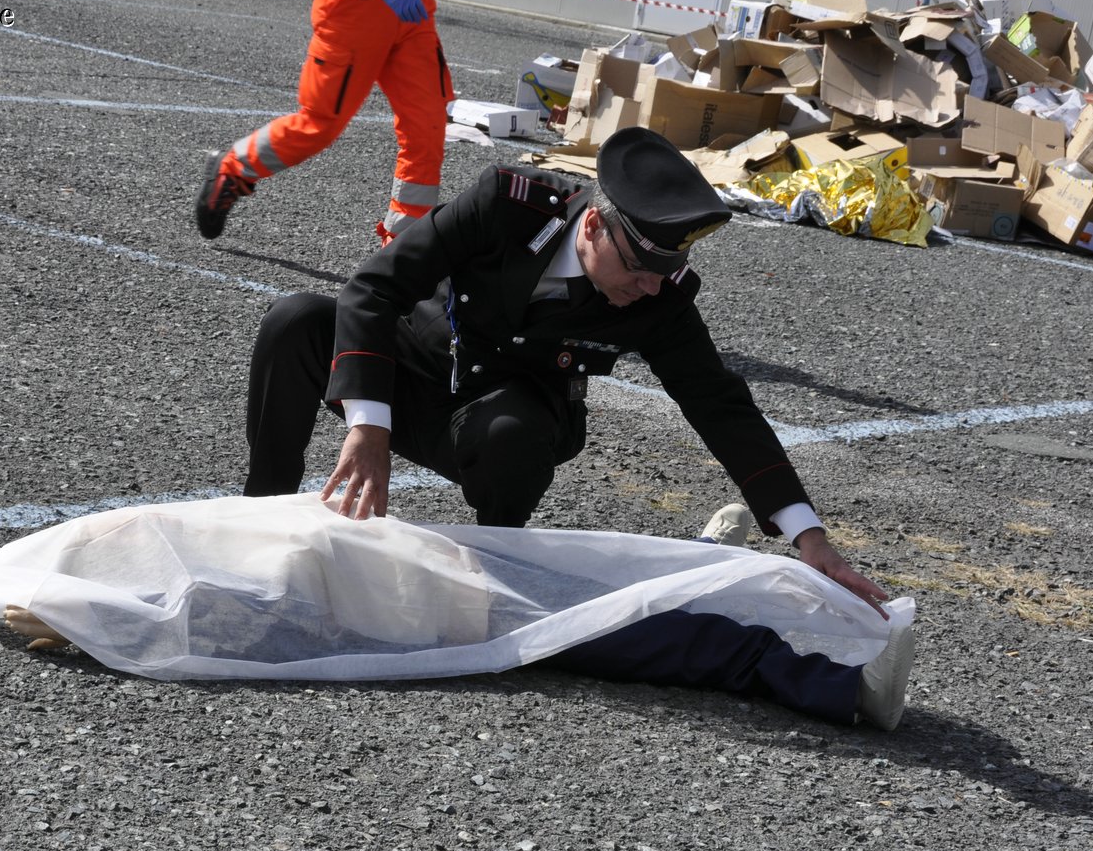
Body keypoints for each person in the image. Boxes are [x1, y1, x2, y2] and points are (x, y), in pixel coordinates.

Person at [242, 125, 889, 613]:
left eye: (659, 277)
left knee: (514, 438)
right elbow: (373, 289)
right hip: (418, 370)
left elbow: (720, 404)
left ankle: (490, 578)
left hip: (499, 411)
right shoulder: (506, 202)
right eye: (636, 270)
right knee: (295, 320)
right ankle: (256, 524)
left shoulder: (659, 295)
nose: (646, 289)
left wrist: (808, 536)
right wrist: (370, 426)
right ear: (591, 229)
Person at [0, 500, 913, 731]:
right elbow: (204, 626)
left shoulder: (175, 541)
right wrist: (79, 623)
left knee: (618, 582)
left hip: (442, 567)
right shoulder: (212, 603)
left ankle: (705, 563)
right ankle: (844, 692)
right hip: (458, 614)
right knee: (662, 633)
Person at [195, 0, 453, 244]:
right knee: (319, 124)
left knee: (427, 130)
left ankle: (404, 249)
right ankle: (233, 169)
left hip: (413, 6)